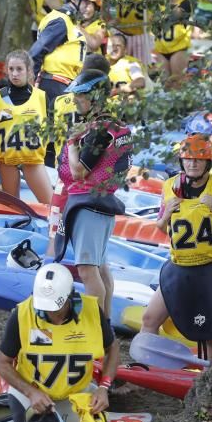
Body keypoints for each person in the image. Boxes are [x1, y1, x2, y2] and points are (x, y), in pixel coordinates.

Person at [0, 262, 120, 422]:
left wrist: (104, 387)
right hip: (32, 399)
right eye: (45, 309)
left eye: (56, 309)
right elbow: (1, 362)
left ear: (69, 298)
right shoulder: (22, 314)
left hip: (75, 397)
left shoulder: (90, 312)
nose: (49, 314)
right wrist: (30, 392)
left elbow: (113, 348)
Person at [139, 135, 212, 360]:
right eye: (188, 159)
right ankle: (146, 369)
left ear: (208, 162)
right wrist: (166, 213)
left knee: (210, 330)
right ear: (181, 161)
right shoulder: (170, 187)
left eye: (198, 159)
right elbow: (160, 226)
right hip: (180, 266)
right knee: (149, 319)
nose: (192, 163)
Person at [50, 70, 132, 314]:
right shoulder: (113, 125)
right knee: (100, 267)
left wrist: (73, 142)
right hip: (101, 203)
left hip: (88, 203)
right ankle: (105, 328)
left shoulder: (99, 130)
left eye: (81, 95)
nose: (76, 100)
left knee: (87, 269)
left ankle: (97, 329)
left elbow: (78, 171)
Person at [0, 50, 52, 202]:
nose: (15, 74)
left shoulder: (41, 96)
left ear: (29, 70)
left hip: (32, 160)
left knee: (52, 207)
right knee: (11, 210)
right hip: (6, 161)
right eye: (11, 69)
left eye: (19, 69)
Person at [29, 0, 92, 113]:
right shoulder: (61, 21)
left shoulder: (67, 21)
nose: (88, 6)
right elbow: (36, 52)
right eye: (85, 1)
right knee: (58, 129)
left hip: (64, 84)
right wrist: (29, 86)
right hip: (55, 84)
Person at [153, 0, 193, 83]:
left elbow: (176, 14)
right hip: (161, 49)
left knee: (177, 81)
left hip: (179, 49)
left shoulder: (185, 2)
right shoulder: (158, 2)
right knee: (164, 83)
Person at [106, 29, 147, 94]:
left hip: (127, 102)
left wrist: (117, 91)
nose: (114, 49)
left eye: (118, 46)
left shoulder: (130, 63)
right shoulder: (102, 62)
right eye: (112, 45)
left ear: (125, 49)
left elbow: (140, 82)